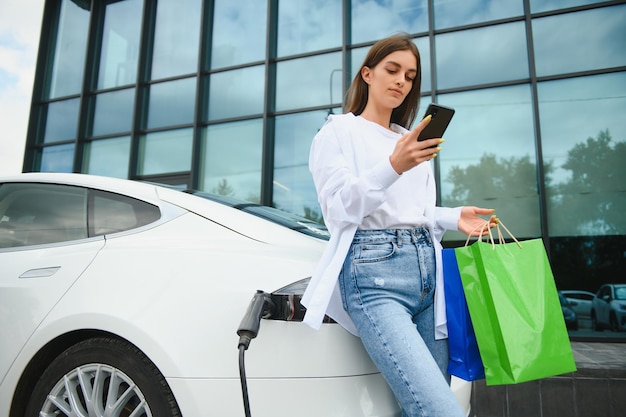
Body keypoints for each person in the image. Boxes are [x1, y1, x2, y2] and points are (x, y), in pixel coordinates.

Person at [301, 33, 496, 417]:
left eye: (410, 75)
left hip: (428, 273)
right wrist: (393, 166)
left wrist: (452, 216)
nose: (401, 81)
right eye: (392, 70)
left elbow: (413, 211)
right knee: (440, 410)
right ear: (367, 73)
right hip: (375, 278)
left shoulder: (410, 139)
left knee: (425, 406)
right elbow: (339, 208)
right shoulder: (338, 132)